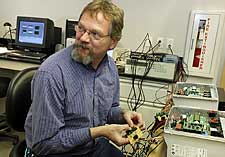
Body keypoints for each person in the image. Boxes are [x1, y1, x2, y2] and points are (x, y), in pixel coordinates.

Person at [24, 0, 144, 156]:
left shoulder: (110, 67)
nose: (83, 38)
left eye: (95, 34)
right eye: (81, 28)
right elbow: (44, 145)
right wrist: (99, 131)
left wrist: (123, 115)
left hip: (92, 146)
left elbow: (108, 110)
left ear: (112, 42)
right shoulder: (52, 74)